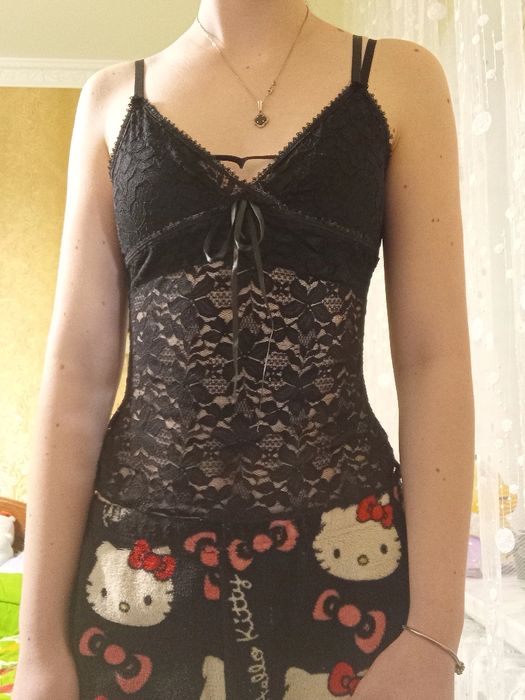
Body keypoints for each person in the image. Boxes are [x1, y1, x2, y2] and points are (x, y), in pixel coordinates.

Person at [12, 0, 474, 698]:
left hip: (346, 549)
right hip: (135, 567)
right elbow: (76, 373)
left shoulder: (399, 78)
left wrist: (435, 633)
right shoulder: (110, 99)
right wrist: (39, 647)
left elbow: (433, 359)